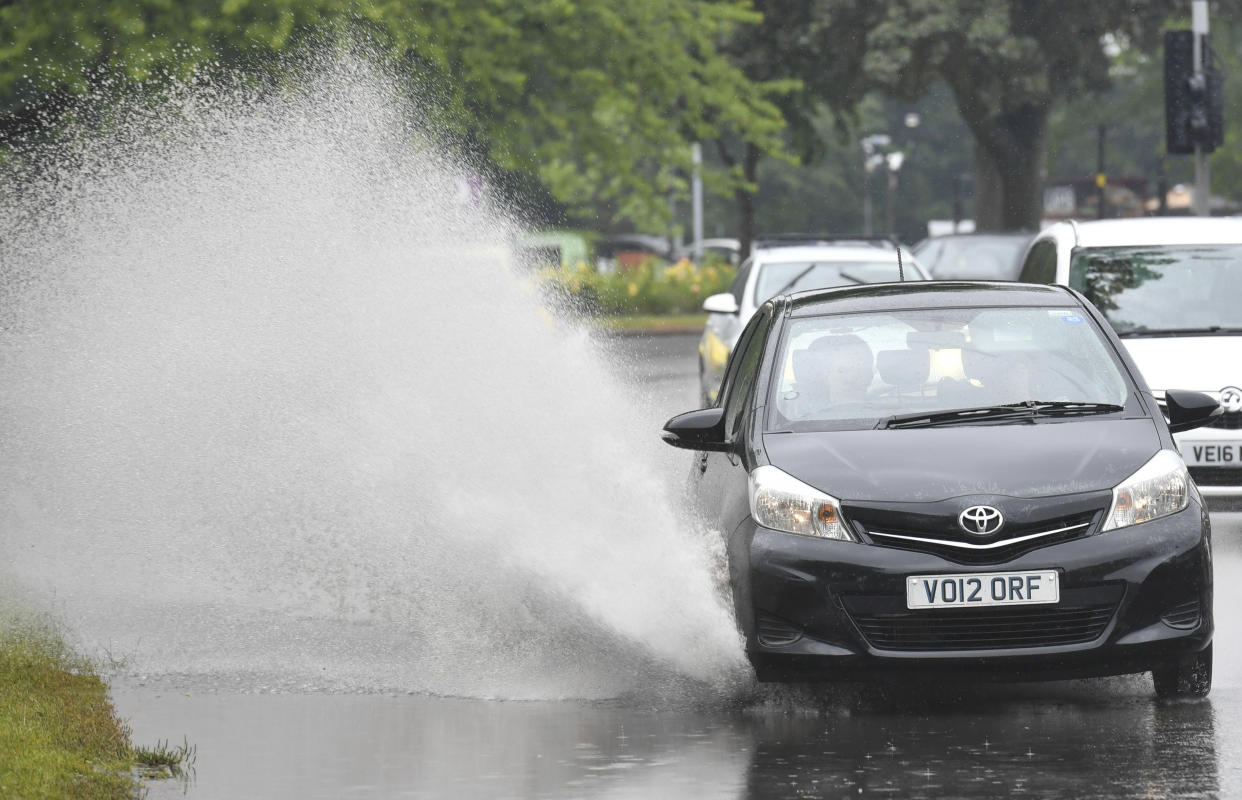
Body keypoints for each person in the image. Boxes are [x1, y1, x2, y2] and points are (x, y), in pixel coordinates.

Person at [792, 334, 875, 417]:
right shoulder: (800, 416)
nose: (850, 378)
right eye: (842, 371)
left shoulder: (885, 413)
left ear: (870, 376)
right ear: (825, 375)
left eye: (858, 371)